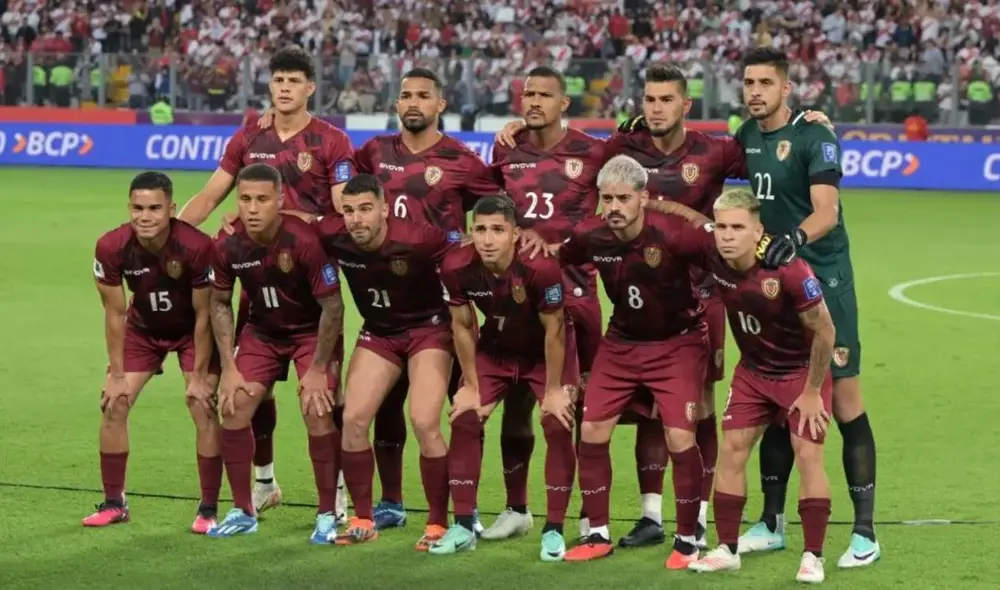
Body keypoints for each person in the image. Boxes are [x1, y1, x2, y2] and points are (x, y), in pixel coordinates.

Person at [179, 45, 354, 519]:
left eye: (293, 81)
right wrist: (175, 234)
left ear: (309, 88)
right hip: (257, 281)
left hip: (311, 282)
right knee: (255, 392)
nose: (284, 88)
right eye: (277, 80)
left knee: (324, 396)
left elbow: (341, 212)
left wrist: (289, 215)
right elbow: (212, 194)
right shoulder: (247, 139)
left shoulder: (331, 141)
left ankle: (336, 492)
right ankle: (265, 482)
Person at [737, 47, 879, 568]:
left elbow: (827, 210)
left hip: (826, 280)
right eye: (748, 82)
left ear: (786, 88)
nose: (754, 91)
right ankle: (772, 522)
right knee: (781, 397)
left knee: (842, 402)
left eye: (764, 83)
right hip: (780, 287)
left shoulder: (815, 134)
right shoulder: (747, 136)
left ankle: (864, 533)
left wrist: (793, 238)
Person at [350, 67, 497, 531]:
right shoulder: (373, 153)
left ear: (440, 105)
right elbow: (341, 197)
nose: (413, 102)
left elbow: (498, 212)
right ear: (396, 104)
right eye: (405, 95)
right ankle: (388, 503)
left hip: (441, 308)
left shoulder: (462, 160)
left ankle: (461, 514)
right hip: (384, 306)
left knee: (449, 414)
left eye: (423, 96)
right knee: (382, 410)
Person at [555, 155, 710, 568]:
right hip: (621, 342)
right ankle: (598, 534)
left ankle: (689, 537)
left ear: (644, 197)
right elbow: (558, 258)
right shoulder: (593, 233)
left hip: (678, 343)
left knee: (680, 439)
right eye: (607, 199)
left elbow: (727, 260)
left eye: (623, 198)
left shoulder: (675, 234)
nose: (614, 208)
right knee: (590, 430)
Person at [482, 65, 606, 542]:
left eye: (543, 95)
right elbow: (491, 212)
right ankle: (517, 509)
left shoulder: (592, 153)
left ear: (564, 104)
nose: (533, 101)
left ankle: (585, 513)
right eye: (527, 94)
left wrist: (565, 248)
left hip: (577, 296)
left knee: (578, 409)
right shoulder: (507, 151)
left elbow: (611, 217)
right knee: (517, 403)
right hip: (518, 302)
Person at [688, 188, 835, 584]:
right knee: (732, 451)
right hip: (753, 372)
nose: (728, 235)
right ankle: (727, 548)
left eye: (738, 227)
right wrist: (649, 201)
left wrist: (810, 391)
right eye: (721, 226)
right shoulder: (713, 253)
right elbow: (683, 216)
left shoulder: (790, 271)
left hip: (800, 373)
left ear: (759, 231)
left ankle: (813, 555)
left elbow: (826, 331)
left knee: (808, 456)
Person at [430, 195, 579, 561]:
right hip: (496, 350)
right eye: (480, 230)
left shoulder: (540, 267)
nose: (487, 239)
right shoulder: (455, 266)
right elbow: (463, 325)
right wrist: (470, 384)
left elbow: (555, 329)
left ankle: (554, 530)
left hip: (544, 354)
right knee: (465, 416)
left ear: (515, 234)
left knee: (556, 422)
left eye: (497, 230)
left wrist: (556, 389)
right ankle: (464, 526)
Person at [313, 174, 455, 551]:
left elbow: (464, 257)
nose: (356, 219)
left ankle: (439, 522)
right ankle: (363, 519)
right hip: (379, 332)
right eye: (348, 211)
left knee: (425, 420)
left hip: (429, 330)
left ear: (384, 208)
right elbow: (294, 221)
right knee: (354, 419)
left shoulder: (419, 238)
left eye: (365, 209)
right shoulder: (336, 233)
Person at [205, 163, 345, 543]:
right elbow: (220, 303)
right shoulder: (227, 243)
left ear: (280, 201)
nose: (252, 208)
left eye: (262, 200)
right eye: (245, 199)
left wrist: (317, 369)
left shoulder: (304, 241)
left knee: (317, 408)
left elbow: (333, 308)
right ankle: (242, 509)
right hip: (262, 333)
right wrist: (229, 367)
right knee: (232, 405)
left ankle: (328, 511)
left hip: (309, 332)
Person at [86, 171, 222, 534]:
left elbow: (205, 314)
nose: (145, 216)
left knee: (202, 406)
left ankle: (208, 508)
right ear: (128, 207)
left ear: (172, 209)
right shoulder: (111, 246)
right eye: (137, 208)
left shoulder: (197, 246)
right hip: (143, 330)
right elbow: (115, 312)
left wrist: (199, 375)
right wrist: (116, 375)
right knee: (113, 402)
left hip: (192, 332)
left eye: (154, 208)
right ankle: (115, 503)